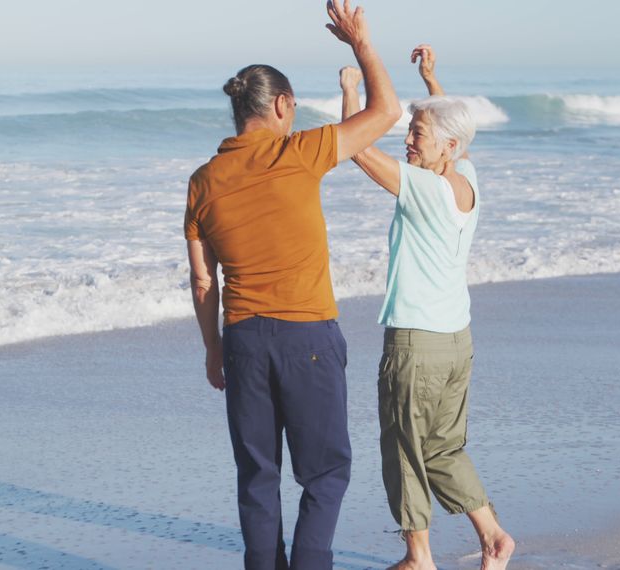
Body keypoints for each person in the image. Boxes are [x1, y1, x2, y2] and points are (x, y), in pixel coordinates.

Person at [183, 2, 402, 568]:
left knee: (258, 477)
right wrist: (361, 44)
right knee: (325, 473)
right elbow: (386, 111)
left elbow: (203, 280)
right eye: (293, 106)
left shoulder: (203, 181)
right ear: (282, 106)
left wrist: (213, 349)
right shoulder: (298, 151)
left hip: (244, 340)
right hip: (307, 336)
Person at [339, 45, 516, 570]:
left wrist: (351, 89)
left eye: (416, 134)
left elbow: (357, 148)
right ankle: (493, 538)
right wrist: (432, 81)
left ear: (447, 146)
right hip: (456, 341)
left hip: (416, 343)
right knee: (441, 448)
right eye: (410, 132)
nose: (407, 141)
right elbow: (451, 127)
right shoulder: (467, 182)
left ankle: (418, 558)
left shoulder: (425, 189)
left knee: (403, 448)